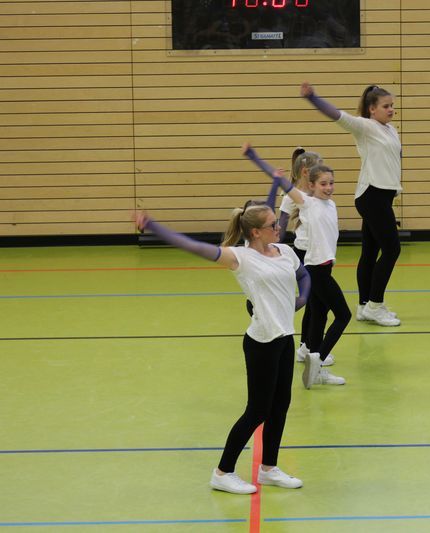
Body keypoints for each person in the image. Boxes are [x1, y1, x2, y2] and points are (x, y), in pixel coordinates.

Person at [134, 193, 310, 495]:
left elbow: (303, 275)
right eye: (272, 225)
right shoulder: (240, 258)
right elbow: (194, 247)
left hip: (284, 338)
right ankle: (223, 471)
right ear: (255, 232)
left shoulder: (284, 250)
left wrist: (301, 299)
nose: (279, 227)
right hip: (262, 342)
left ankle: (268, 468)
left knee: (280, 406)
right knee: (257, 410)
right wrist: (154, 226)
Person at [243, 144, 348, 389]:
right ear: (311, 184)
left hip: (324, 267)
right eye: (323, 184)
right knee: (343, 315)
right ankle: (317, 362)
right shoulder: (307, 203)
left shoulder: (331, 204)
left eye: (331, 183)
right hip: (315, 268)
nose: (328, 187)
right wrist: (254, 157)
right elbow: (284, 183)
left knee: (319, 313)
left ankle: (311, 354)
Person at [301, 82, 402, 327]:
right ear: (372, 109)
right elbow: (337, 115)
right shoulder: (365, 127)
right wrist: (313, 98)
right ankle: (375, 305)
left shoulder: (390, 129)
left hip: (383, 196)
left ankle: (364, 306)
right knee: (392, 250)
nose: (391, 110)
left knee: (370, 252)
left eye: (392, 105)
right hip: (372, 195)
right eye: (385, 106)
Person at [276, 147, 333, 367]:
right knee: (316, 303)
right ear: (306, 172)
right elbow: (280, 230)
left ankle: (306, 346)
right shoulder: (293, 197)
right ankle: (308, 347)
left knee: (315, 304)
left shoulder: (315, 193)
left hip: (318, 253)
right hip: (305, 253)